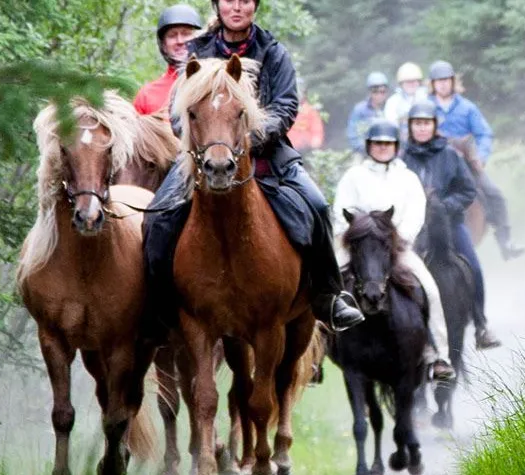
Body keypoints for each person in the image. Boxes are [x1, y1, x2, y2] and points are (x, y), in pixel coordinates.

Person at [142, 0, 366, 334]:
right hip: (202, 157)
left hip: (266, 153)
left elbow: (287, 106)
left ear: (255, 6)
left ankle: (328, 298)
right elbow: (178, 110)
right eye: (229, 0)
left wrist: (248, 137)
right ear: (217, 6)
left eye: (245, 0)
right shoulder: (196, 51)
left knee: (317, 206)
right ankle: (158, 311)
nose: (237, 7)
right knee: (156, 216)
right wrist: (207, 140)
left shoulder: (273, 52)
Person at [332, 120, 455, 381]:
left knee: (430, 289)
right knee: (325, 284)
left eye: (387, 144)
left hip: (396, 248)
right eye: (377, 144)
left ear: (396, 146)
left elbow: (415, 213)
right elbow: (341, 210)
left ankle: (438, 355)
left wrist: (399, 240)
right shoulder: (353, 176)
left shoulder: (407, 178)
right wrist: (355, 238)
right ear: (369, 146)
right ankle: (316, 351)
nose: (382, 148)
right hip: (358, 247)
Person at [400, 102, 502, 350]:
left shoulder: (450, 156)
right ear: (410, 127)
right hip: (414, 227)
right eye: (417, 124)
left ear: (434, 126)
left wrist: (445, 206)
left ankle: (480, 324)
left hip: (449, 224)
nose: (422, 129)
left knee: (473, 266)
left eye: (426, 124)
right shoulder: (402, 158)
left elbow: (468, 191)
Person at [426, 60, 525, 260]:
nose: (443, 84)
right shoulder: (425, 107)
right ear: (432, 84)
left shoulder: (467, 108)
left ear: (453, 81)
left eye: (446, 80)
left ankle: (505, 241)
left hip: (464, 163)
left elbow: (484, 134)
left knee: (493, 193)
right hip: (434, 163)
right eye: (439, 81)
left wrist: (481, 156)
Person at [132, 5, 203, 116]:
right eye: (172, 35)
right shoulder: (147, 95)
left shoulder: (214, 85)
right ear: (164, 45)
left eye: (186, 34)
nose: (180, 41)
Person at [346, 72, 391, 154]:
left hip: (388, 149)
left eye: (382, 92)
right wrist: (364, 149)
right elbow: (352, 133)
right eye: (375, 92)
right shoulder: (360, 109)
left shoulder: (391, 107)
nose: (379, 95)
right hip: (365, 150)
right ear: (369, 92)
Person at [286, 77, 325, 151]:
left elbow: (317, 131)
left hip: (306, 149)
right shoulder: (284, 110)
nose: (298, 94)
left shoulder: (310, 111)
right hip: (288, 150)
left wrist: (315, 143)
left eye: (300, 91)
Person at [382, 62, 425, 127]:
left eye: (413, 81)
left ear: (419, 82)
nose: (411, 84)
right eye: (408, 82)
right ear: (401, 84)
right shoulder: (392, 102)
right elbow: (391, 123)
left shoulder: (426, 97)